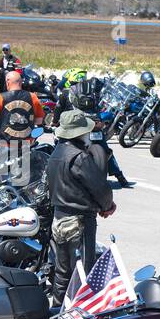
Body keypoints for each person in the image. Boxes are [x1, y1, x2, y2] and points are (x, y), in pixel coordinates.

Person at [46, 110, 115, 301]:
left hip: (59, 218)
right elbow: (100, 188)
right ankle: (79, 314)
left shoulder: (55, 154)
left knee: (62, 271)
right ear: (80, 133)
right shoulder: (79, 157)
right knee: (84, 271)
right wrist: (107, 205)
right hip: (79, 220)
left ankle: (57, 308)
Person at [0, 70, 44, 147]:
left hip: (4, 144)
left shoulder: (0, 97)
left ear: (7, 82)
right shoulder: (33, 97)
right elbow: (39, 121)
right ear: (21, 82)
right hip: (25, 144)